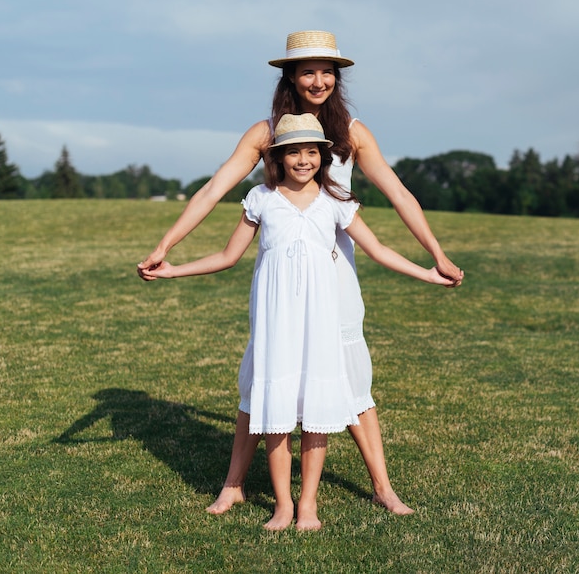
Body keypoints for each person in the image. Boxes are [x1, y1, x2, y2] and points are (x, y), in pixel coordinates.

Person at [138, 31, 464, 516]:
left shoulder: (353, 132)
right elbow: (212, 191)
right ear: (290, 75)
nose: (318, 80)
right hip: (279, 285)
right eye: (307, 71)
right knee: (261, 380)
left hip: (334, 278)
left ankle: (382, 486)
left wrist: (435, 253)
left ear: (337, 76)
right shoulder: (266, 133)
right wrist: (167, 244)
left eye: (327, 71)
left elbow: (399, 195)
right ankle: (233, 484)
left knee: (351, 382)